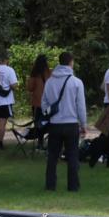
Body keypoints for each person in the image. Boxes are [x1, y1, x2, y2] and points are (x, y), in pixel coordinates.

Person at [41, 51, 87, 191]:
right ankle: (73, 186)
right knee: (72, 155)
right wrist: (83, 124)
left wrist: (48, 113)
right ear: (70, 62)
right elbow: (81, 106)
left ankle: (50, 185)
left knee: (52, 156)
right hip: (71, 123)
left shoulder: (50, 81)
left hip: (55, 124)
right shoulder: (76, 82)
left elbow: (44, 104)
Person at [25, 54, 51, 147]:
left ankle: (40, 143)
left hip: (37, 103)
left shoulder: (34, 73)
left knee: (38, 123)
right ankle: (49, 142)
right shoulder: (49, 73)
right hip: (48, 103)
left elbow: (30, 88)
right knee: (48, 122)